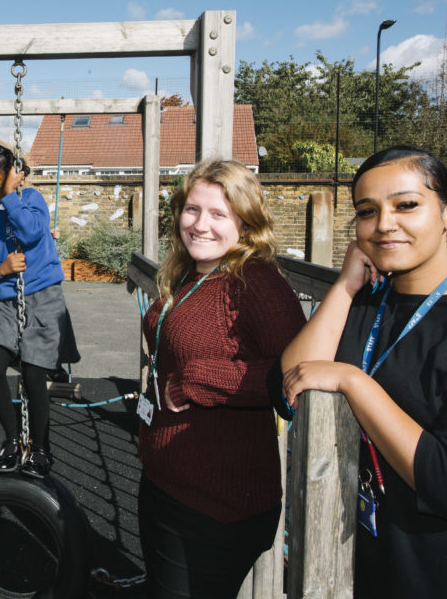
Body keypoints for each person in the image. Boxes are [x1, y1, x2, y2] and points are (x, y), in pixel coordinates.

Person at [277, 146, 447, 598]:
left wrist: (353, 381)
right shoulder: (369, 302)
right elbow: (291, 384)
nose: (385, 224)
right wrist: (345, 285)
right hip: (373, 555)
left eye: (406, 205)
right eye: (367, 211)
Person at [139, 158, 305, 598]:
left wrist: (197, 379)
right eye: (192, 210)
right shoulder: (191, 271)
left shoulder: (256, 281)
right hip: (167, 481)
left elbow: (295, 373)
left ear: (246, 224)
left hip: (216, 503)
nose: (200, 224)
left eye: (218, 214)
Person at [0, 144, 80, 478]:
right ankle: (13, 439)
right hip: (8, 303)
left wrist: (11, 195)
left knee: (32, 374)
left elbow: (30, 233)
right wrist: (0, 269)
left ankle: (41, 447)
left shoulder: (30, 201)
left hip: (43, 297)